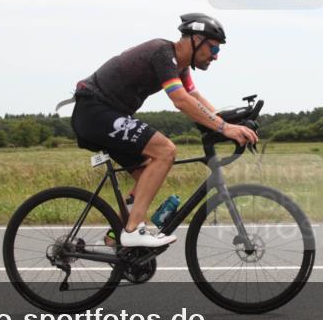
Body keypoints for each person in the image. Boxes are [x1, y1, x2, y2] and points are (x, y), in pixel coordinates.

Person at [69, 13, 258, 247]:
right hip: (94, 110)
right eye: (214, 49)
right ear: (196, 39)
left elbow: (193, 97)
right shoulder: (163, 53)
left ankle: (115, 238)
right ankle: (131, 230)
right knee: (165, 151)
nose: (215, 57)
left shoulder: (180, 67)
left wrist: (229, 125)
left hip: (106, 114)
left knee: (148, 173)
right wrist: (223, 127)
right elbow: (180, 100)